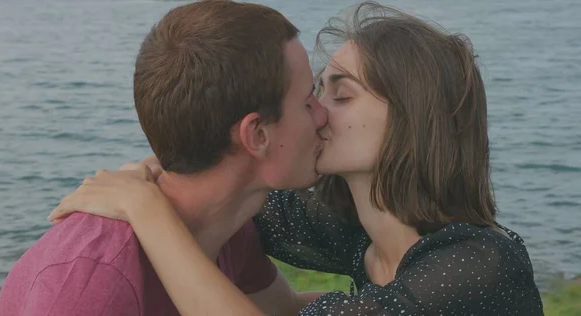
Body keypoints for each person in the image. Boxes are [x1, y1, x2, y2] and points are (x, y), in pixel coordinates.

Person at [48, 2, 545, 316]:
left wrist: (147, 212)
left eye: (339, 96)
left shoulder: (478, 266)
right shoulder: (354, 227)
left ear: (413, 120)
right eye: (312, 93)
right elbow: (225, 182)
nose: (315, 114)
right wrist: (154, 171)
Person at [0, 2, 328, 315]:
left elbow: (287, 308)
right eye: (308, 100)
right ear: (257, 135)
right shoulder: (91, 285)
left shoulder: (229, 226)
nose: (323, 116)